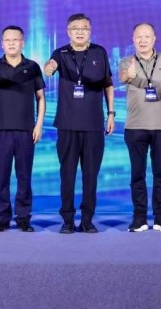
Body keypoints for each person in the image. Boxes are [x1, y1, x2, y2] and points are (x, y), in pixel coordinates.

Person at [44, 13, 115, 234]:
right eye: (75, 28)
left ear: (90, 31)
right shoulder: (61, 53)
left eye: (84, 28)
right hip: (67, 124)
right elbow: (50, 66)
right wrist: (49, 67)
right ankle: (67, 220)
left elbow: (108, 84)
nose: (80, 31)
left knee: (90, 175)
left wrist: (111, 113)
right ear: (68, 31)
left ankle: (87, 219)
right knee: (67, 174)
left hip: (93, 124)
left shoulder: (99, 52)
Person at [0, 26, 45, 232]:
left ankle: (23, 218)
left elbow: (40, 97)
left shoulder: (32, 66)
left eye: (16, 40)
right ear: (2, 44)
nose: (12, 43)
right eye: (8, 40)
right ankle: (3, 218)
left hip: (26, 131)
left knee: (24, 177)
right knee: (2, 177)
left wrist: (39, 124)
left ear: (23, 42)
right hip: (1, 131)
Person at [119, 23, 161, 232]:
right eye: (139, 36)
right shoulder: (127, 62)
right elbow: (122, 77)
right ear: (133, 39)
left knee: (160, 174)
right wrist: (129, 74)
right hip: (135, 127)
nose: (143, 40)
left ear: (154, 38)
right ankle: (139, 218)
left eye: (147, 36)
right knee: (137, 175)